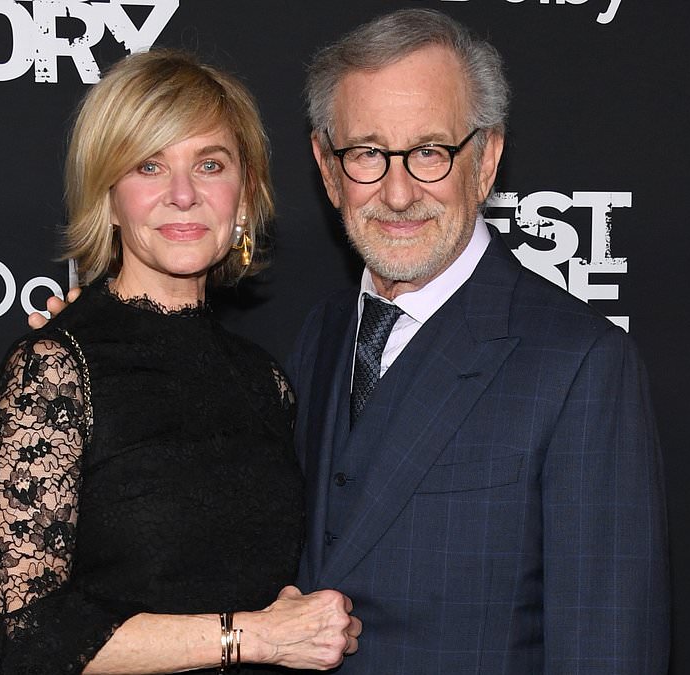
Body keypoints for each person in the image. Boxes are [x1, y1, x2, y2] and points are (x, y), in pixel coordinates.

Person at [286, 8, 669, 673]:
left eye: (430, 152)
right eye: (367, 153)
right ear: (327, 166)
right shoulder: (321, 335)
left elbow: (608, 648)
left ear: (486, 160)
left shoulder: (580, 364)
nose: (398, 193)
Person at [0, 49, 360, 675]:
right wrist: (253, 636)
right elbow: (24, 639)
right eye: (149, 165)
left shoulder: (265, 381)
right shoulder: (57, 367)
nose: (183, 195)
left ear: (245, 194)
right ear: (108, 195)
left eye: (210, 165)